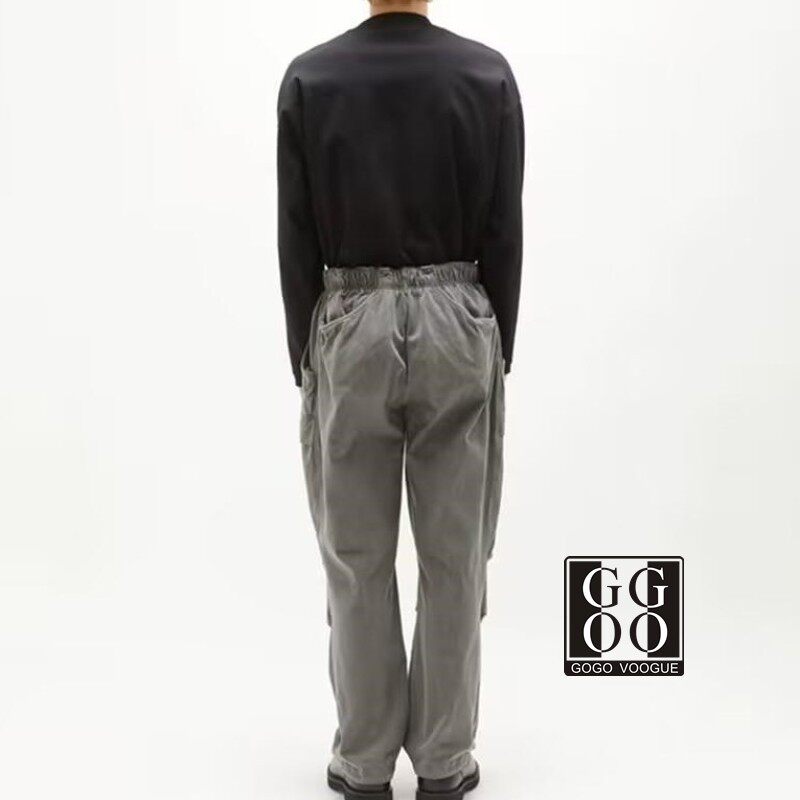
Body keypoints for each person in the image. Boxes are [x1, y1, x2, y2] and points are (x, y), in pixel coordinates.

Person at [277, 1, 524, 798]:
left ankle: (364, 761)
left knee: (356, 557)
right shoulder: (486, 74)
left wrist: (308, 355)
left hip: (349, 316)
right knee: (456, 556)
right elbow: (504, 229)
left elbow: (296, 235)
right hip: (459, 313)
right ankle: (445, 760)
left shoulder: (310, 78)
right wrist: (496, 346)